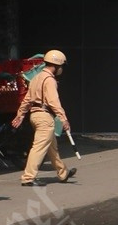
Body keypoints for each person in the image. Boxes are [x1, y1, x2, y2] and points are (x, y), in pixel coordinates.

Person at [12, 50, 74, 186]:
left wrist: (20, 115)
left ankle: (63, 173)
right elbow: (54, 102)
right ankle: (28, 178)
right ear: (57, 66)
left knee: (52, 148)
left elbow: (27, 99)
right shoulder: (49, 80)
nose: (61, 70)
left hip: (35, 116)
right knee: (39, 148)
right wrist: (64, 119)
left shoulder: (36, 78)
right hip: (45, 117)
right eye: (61, 66)